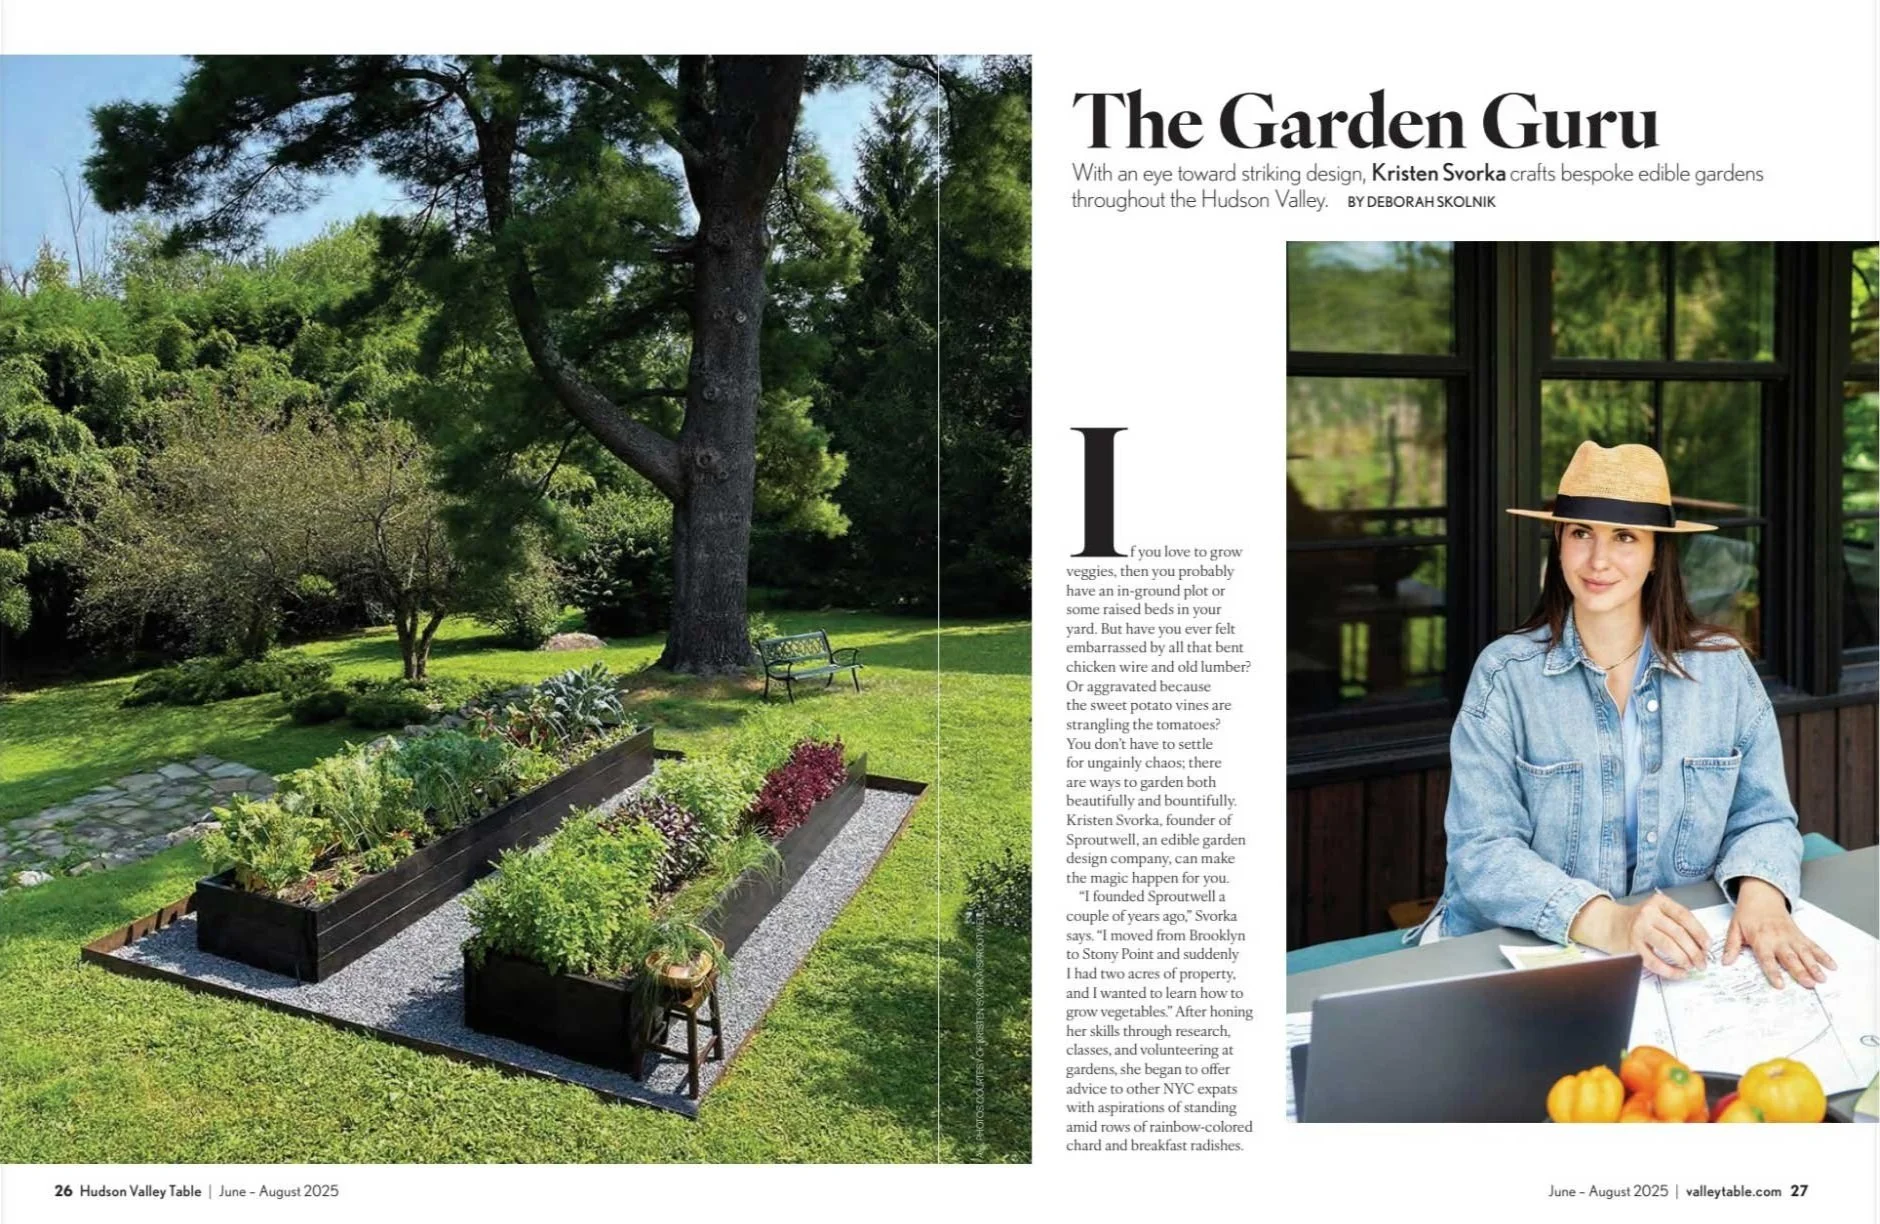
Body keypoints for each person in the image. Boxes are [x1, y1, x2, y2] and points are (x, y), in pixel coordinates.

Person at [1424, 441, 1836, 990]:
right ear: (1559, 543)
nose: (1598, 560)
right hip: (1525, 949)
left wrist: (1762, 895)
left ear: (1656, 554)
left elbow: (1762, 816)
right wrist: (1610, 922)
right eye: (1580, 534)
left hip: (1682, 955)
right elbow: (1482, 851)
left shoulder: (1721, 670)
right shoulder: (1505, 676)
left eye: (1624, 537)